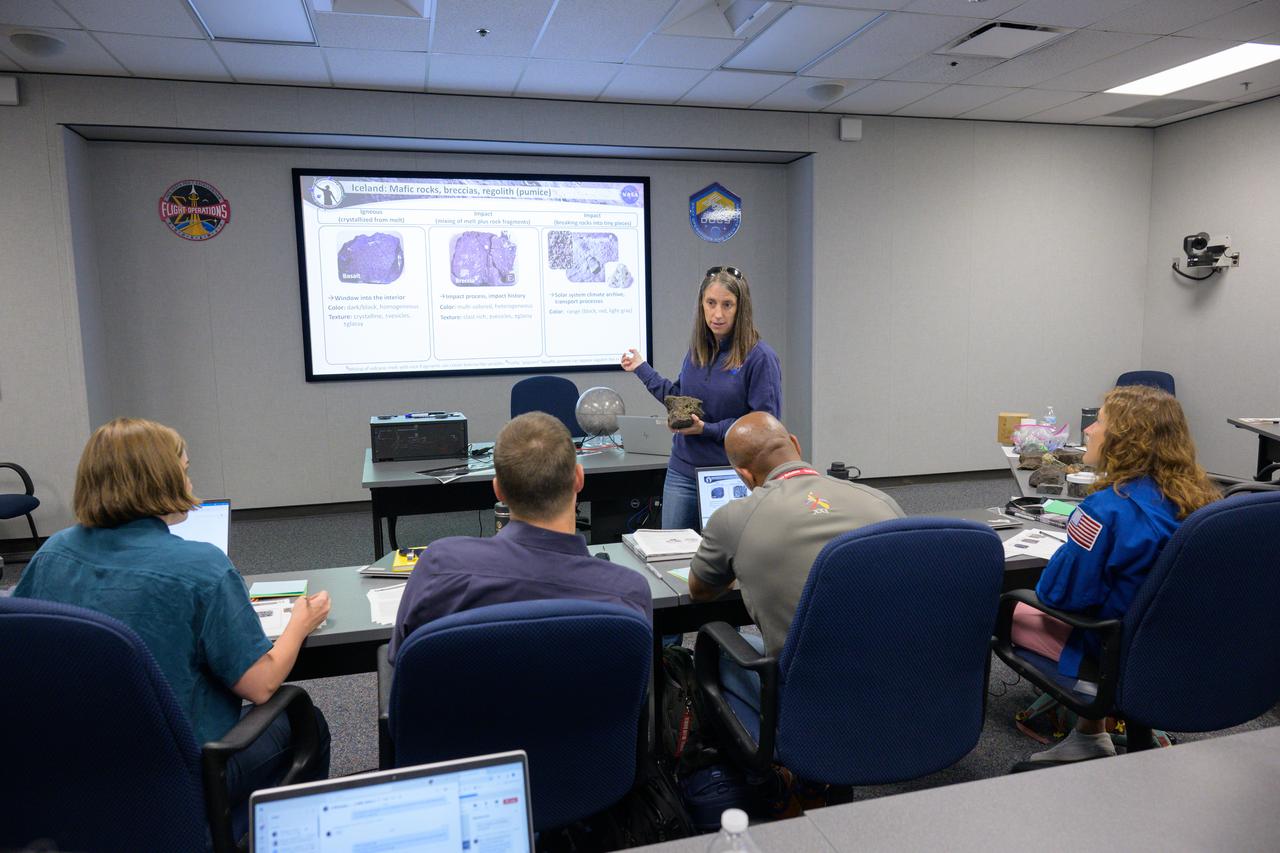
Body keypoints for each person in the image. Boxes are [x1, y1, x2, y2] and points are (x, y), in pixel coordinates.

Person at [13, 417, 332, 823]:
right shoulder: (200, 566)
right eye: (184, 469)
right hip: (181, 773)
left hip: (70, 765)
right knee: (308, 723)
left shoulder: (53, 552)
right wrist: (299, 625)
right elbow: (262, 685)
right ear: (161, 479)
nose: (188, 480)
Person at [1011, 385, 1220, 766]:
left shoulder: (1104, 510)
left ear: (1127, 439)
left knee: (1014, 609)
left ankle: (1091, 727)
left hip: (1116, 650)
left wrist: (1071, 549)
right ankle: (1089, 734)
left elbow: (1061, 597)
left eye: (1100, 422)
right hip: (1181, 647)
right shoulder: (1203, 500)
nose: (1088, 430)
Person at [390, 412, 652, 659]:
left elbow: (401, 660)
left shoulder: (439, 567)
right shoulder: (628, 593)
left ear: (497, 490)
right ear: (579, 479)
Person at [687, 412, 905, 710]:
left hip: (809, 698)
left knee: (711, 649)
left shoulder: (732, 518)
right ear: (795, 445)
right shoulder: (880, 501)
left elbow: (700, 592)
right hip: (898, 682)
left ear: (744, 475)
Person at [622, 266, 782, 530]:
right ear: (702, 305)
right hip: (682, 470)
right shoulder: (698, 351)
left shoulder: (760, 358)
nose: (717, 314)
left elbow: (763, 426)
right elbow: (678, 399)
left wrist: (707, 429)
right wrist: (642, 368)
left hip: (729, 475)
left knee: (724, 563)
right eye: (711, 303)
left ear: (741, 309)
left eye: (727, 305)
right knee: (673, 559)